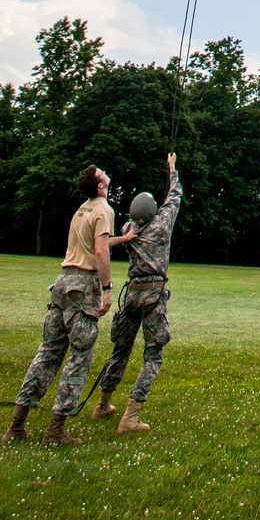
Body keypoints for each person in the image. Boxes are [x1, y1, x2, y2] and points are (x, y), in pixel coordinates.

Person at [2, 164, 115, 446]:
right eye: (102, 173)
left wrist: (124, 239)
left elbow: (92, 245)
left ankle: (16, 427)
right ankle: (55, 432)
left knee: (47, 354)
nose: (105, 173)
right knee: (78, 358)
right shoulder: (104, 210)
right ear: (100, 185)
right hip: (83, 287)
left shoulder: (82, 208)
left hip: (62, 284)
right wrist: (107, 289)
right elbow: (99, 251)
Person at [91, 152, 182, 434]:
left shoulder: (129, 228)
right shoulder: (162, 224)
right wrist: (172, 168)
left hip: (131, 294)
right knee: (153, 355)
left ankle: (103, 403)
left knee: (120, 350)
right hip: (154, 295)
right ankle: (130, 415)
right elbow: (175, 196)